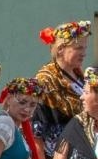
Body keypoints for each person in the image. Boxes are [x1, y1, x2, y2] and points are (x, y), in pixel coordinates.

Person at [32, 20, 91, 148]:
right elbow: (36, 132)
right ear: (60, 49)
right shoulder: (46, 80)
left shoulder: (81, 77)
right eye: (78, 48)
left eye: (85, 48)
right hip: (58, 156)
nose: (84, 53)